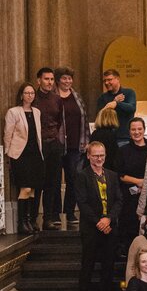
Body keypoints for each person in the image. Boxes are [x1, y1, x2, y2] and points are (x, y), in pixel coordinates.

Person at [75, 141, 122, 291]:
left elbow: (119, 200)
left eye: (102, 155)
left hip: (110, 227)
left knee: (108, 266)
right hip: (91, 228)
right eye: (95, 155)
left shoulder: (111, 175)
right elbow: (83, 203)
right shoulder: (82, 176)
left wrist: (109, 219)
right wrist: (99, 222)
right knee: (88, 265)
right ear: (88, 156)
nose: (99, 158)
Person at [3, 82, 44, 235]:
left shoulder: (37, 112)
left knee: (33, 190)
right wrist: (8, 153)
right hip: (20, 154)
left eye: (32, 93)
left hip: (35, 154)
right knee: (25, 188)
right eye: (27, 93)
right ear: (21, 95)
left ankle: (30, 220)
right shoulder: (13, 112)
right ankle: (22, 222)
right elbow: (8, 134)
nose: (30, 96)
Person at [54, 66, 89, 225]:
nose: (67, 81)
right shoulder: (53, 96)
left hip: (76, 144)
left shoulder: (77, 97)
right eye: (64, 78)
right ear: (58, 80)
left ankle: (70, 212)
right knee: (54, 180)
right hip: (57, 144)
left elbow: (85, 119)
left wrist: (86, 142)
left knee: (73, 179)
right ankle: (54, 215)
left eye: (70, 78)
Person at [33, 67, 64, 230]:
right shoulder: (33, 97)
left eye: (52, 79)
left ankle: (49, 217)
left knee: (53, 182)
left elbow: (59, 121)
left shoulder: (57, 99)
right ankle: (32, 218)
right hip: (39, 144)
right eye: (46, 79)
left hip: (54, 143)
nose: (50, 82)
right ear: (39, 80)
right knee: (38, 182)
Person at [117, 117, 147, 253]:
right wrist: (138, 182)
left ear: (144, 130)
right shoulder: (123, 150)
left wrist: (146, 184)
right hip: (129, 197)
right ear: (129, 131)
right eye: (133, 129)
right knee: (130, 227)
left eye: (139, 129)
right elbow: (119, 174)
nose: (137, 132)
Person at [96, 68, 137, 142]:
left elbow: (132, 108)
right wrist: (113, 102)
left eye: (109, 80)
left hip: (125, 138)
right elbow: (99, 116)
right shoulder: (102, 98)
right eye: (104, 81)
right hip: (107, 139)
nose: (106, 83)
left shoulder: (129, 93)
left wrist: (116, 104)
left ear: (117, 79)